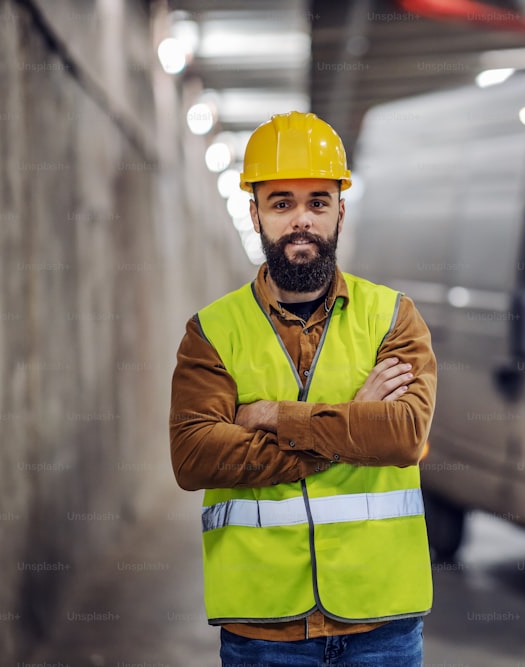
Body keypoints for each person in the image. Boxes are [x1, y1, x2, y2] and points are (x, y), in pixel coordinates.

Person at [169, 111, 436, 667]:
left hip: (381, 622)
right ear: (256, 213)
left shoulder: (393, 318)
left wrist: (270, 414)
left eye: (318, 202)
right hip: (264, 629)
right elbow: (195, 457)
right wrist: (351, 425)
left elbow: (404, 437)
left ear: (340, 209)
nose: (301, 221)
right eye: (282, 202)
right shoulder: (212, 332)